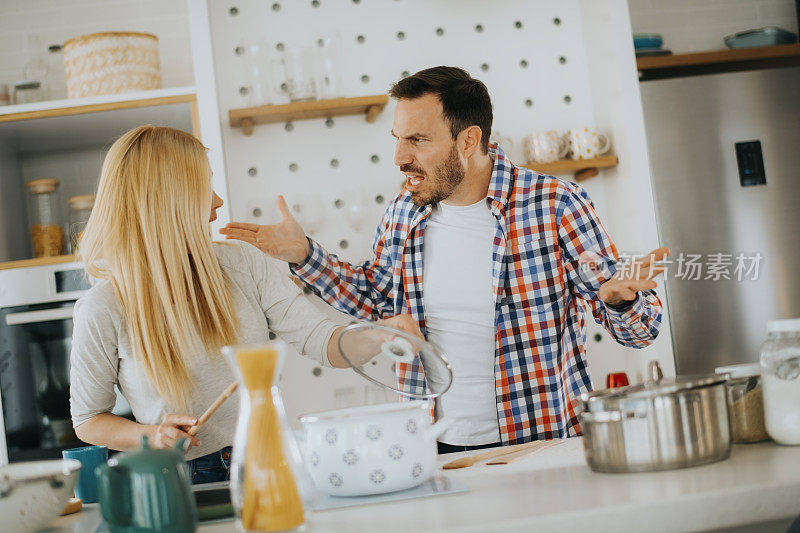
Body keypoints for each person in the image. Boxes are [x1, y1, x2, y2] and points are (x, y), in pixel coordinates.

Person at [220, 66, 669, 454]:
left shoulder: (555, 204)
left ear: (469, 139)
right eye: (398, 139)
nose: (399, 157)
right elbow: (377, 300)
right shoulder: (405, 210)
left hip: (544, 441)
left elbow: (642, 329)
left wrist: (618, 301)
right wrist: (303, 254)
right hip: (434, 444)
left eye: (417, 140)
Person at [69, 125, 418, 483]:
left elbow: (323, 342)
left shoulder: (244, 264)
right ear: (169, 200)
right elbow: (87, 420)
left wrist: (381, 334)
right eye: (204, 186)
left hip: (266, 459)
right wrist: (151, 435)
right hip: (178, 478)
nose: (218, 202)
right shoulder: (102, 308)